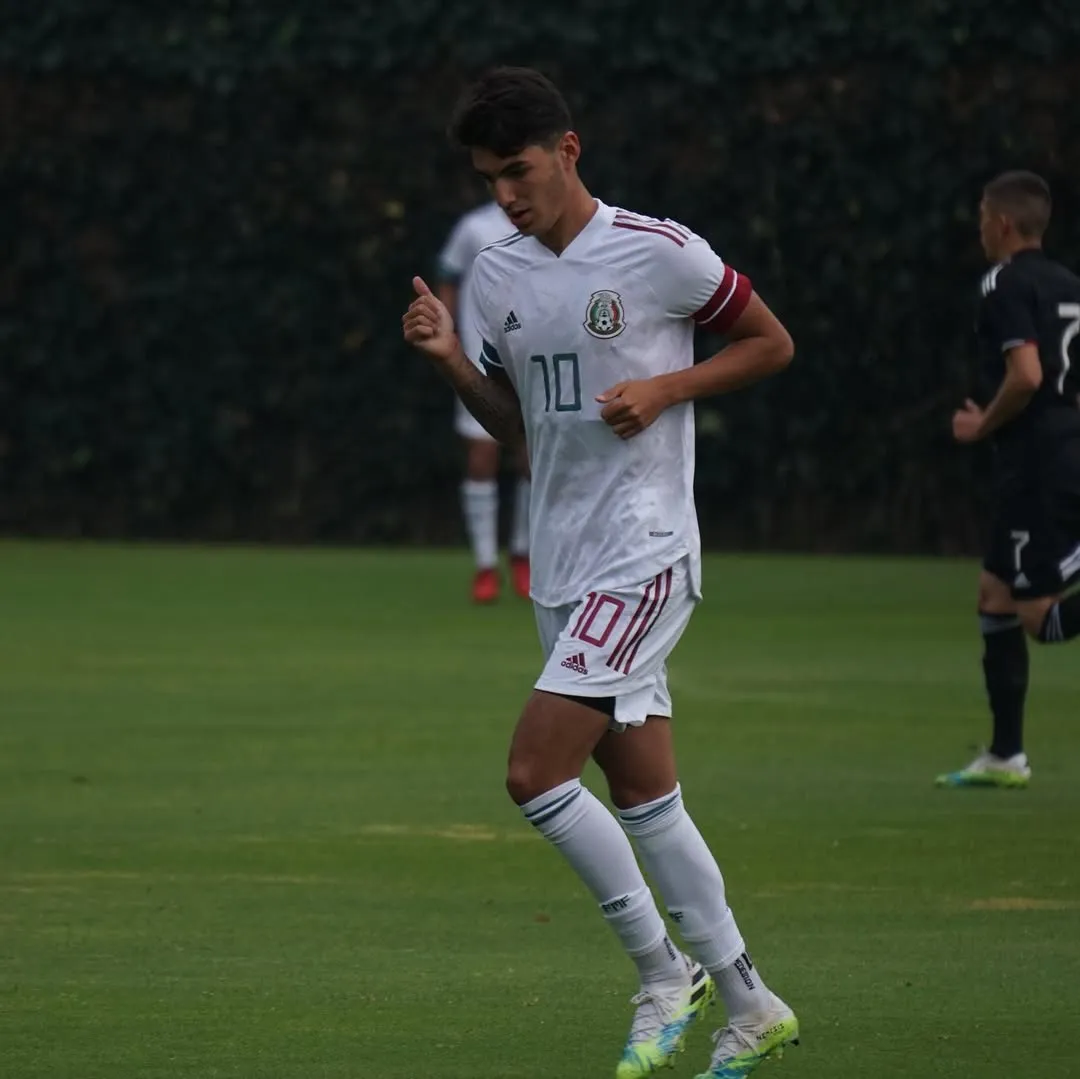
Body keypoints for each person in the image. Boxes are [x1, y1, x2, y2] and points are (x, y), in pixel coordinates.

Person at [403, 67, 798, 1078]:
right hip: (565, 564)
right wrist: (454, 359)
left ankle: (664, 971)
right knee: (644, 792)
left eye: (519, 170)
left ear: (569, 152)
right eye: (491, 177)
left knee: (534, 771)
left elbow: (769, 342)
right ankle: (750, 1001)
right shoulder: (495, 275)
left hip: (645, 548)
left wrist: (668, 384)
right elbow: (518, 425)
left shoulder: (660, 252)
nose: (505, 193)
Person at [938, 170, 1080, 790]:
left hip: (1040, 467)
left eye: (980, 217)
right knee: (994, 596)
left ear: (1000, 223)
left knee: (1037, 617)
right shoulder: (1069, 285)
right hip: (1056, 453)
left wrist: (983, 424)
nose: (979, 229)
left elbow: (1023, 375)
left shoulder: (1004, 282)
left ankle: (1008, 754)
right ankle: (1006, 755)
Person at [437, 200, 532, 603]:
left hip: (531, 362)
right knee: (481, 458)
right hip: (478, 362)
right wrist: (448, 332)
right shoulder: (474, 227)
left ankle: (524, 554)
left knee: (533, 460)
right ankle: (484, 564)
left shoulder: (548, 221)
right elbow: (448, 274)